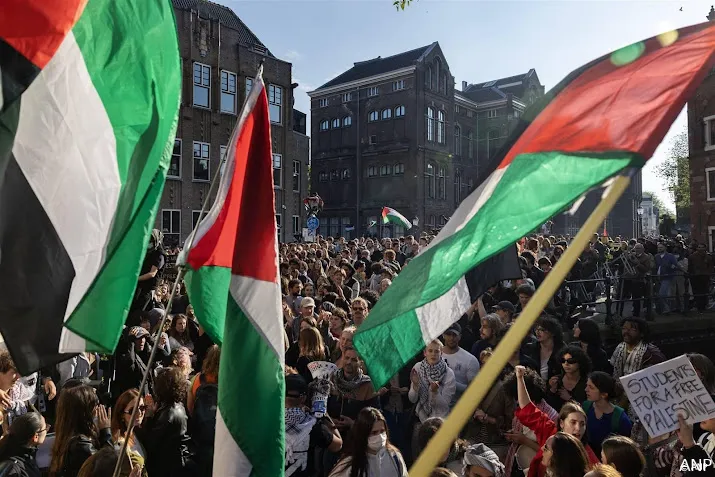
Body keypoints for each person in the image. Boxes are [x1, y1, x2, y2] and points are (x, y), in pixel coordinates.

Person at [512, 366, 599, 477]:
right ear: (561, 423)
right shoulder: (550, 432)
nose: (578, 429)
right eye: (573, 422)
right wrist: (520, 378)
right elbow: (527, 408)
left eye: (582, 424)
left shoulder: (587, 455)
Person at [141, 367, 196, 477]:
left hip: (169, 468)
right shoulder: (176, 406)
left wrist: (149, 417)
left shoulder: (169, 413)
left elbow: (150, 443)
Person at [284, 372, 342, 477]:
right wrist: (324, 415)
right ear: (303, 398)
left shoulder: (270, 420)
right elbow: (338, 444)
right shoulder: (312, 425)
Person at [50, 385, 113, 477]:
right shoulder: (81, 445)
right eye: (94, 406)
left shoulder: (67, 436)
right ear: (85, 411)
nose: (97, 410)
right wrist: (106, 431)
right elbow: (107, 466)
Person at [328, 407, 408, 477]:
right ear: (363, 434)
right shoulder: (349, 464)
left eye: (382, 431)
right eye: (374, 432)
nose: (380, 436)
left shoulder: (394, 456)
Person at [582, 372, 632, 456]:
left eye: (591, 387)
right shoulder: (585, 407)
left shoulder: (620, 419)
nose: (586, 389)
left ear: (604, 394)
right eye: (587, 385)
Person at [110, 389, 147, 477]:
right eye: (132, 410)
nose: (139, 413)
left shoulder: (135, 432)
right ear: (122, 414)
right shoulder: (118, 443)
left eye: (142, 408)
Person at [441, 324, 479, 406]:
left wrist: (451, 382)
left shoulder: (470, 360)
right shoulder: (434, 355)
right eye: (448, 334)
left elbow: (473, 391)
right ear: (443, 335)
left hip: (457, 408)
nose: (451, 338)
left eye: (454, 335)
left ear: (460, 337)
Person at [0, 412, 47, 477]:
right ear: (35, 437)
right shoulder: (13, 469)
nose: (46, 431)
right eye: (45, 428)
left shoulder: (19, 451)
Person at [546, 346, 590, 411]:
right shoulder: (556, 380)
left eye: (571, 361)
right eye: (563, 360)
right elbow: (546, 406)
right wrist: (552, 390)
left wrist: (569, 399)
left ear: (580, 362)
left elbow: (588, 409)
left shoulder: (587, 383)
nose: (566, 364)